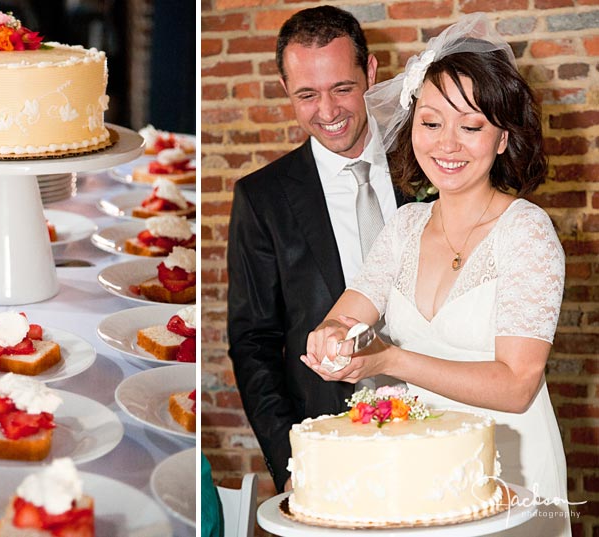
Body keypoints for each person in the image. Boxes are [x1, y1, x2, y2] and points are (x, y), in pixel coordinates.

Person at [302, 13, 571, 536]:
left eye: (470, 127)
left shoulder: (528, 233)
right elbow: (347, 313)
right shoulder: (404, 226)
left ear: (501, 138)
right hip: (415, 470)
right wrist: (331, 338)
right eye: (430, 123)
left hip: (510, 472)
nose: (446, 144)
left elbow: (517, 384)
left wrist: (393, 359)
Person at [227, 5, 414, 493]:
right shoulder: (261, 198)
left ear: (370, 73)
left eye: (342, 89)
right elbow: (253, 343)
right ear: (286, 89)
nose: (328, 113)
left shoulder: (430, 168)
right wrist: (292, 462)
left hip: (442, 420)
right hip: (330, 443)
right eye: (307, 95)